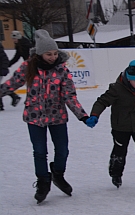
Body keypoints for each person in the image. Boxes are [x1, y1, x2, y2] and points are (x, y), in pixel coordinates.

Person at [0, 29, 92, 203]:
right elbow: (12, 84)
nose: (53, 57)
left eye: (55, 53)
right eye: (49, 54)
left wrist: (83, 116)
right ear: (40, 53)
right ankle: (43, 181)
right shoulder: (28, 67)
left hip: (57, 116)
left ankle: (58, 174)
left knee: (62, 151)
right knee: (40, 152)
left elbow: (69, 95)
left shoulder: (61, 69)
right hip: (34, 116)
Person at [86, 60, 135, 191]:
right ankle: (116, 173)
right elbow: (102, 101)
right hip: (121, 127)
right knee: (120, 152)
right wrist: (94, 115)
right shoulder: (117, 89)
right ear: (129, 79)